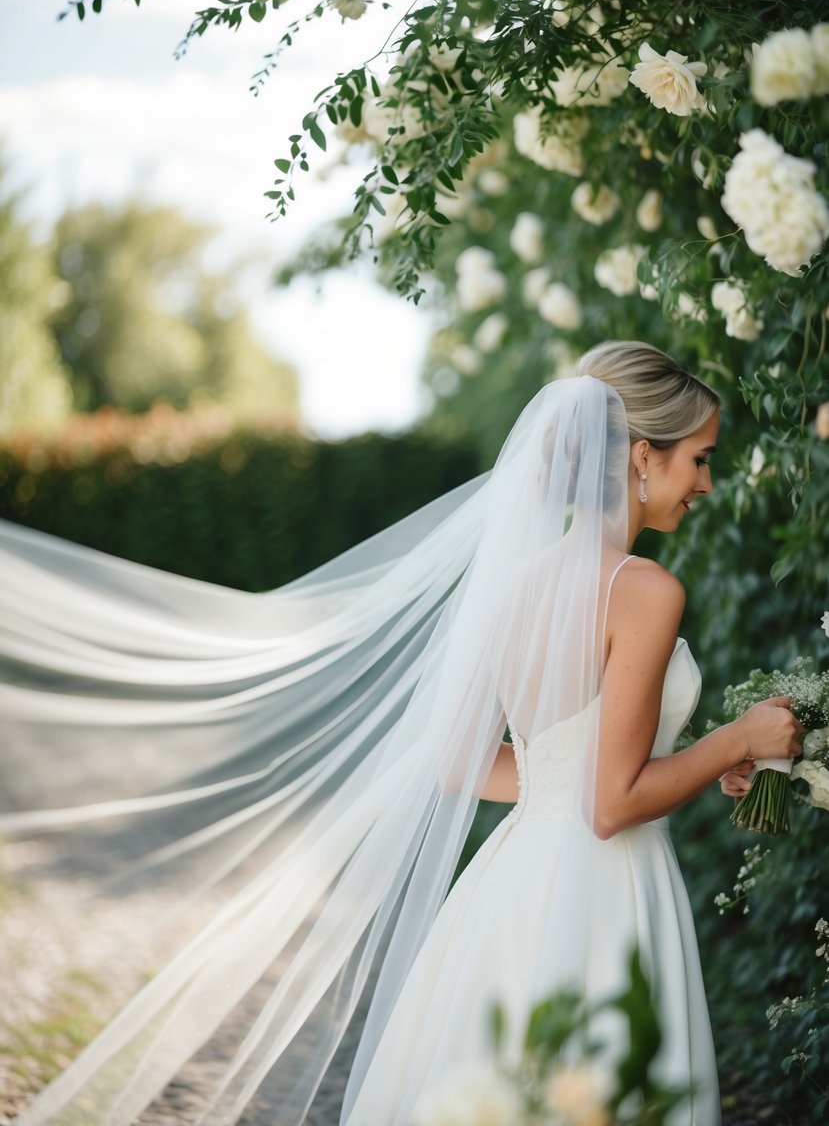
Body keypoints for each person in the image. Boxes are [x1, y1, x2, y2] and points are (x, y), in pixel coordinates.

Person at [0, 340, 802, 1126]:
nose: (705, 482)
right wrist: (734, 740)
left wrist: (646, 770)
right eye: (698, 458)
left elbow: (463, 763)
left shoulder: (516, 582)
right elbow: (611, 806)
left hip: (515, 880)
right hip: (601, 890)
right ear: (639, 456)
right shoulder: (645, 591)